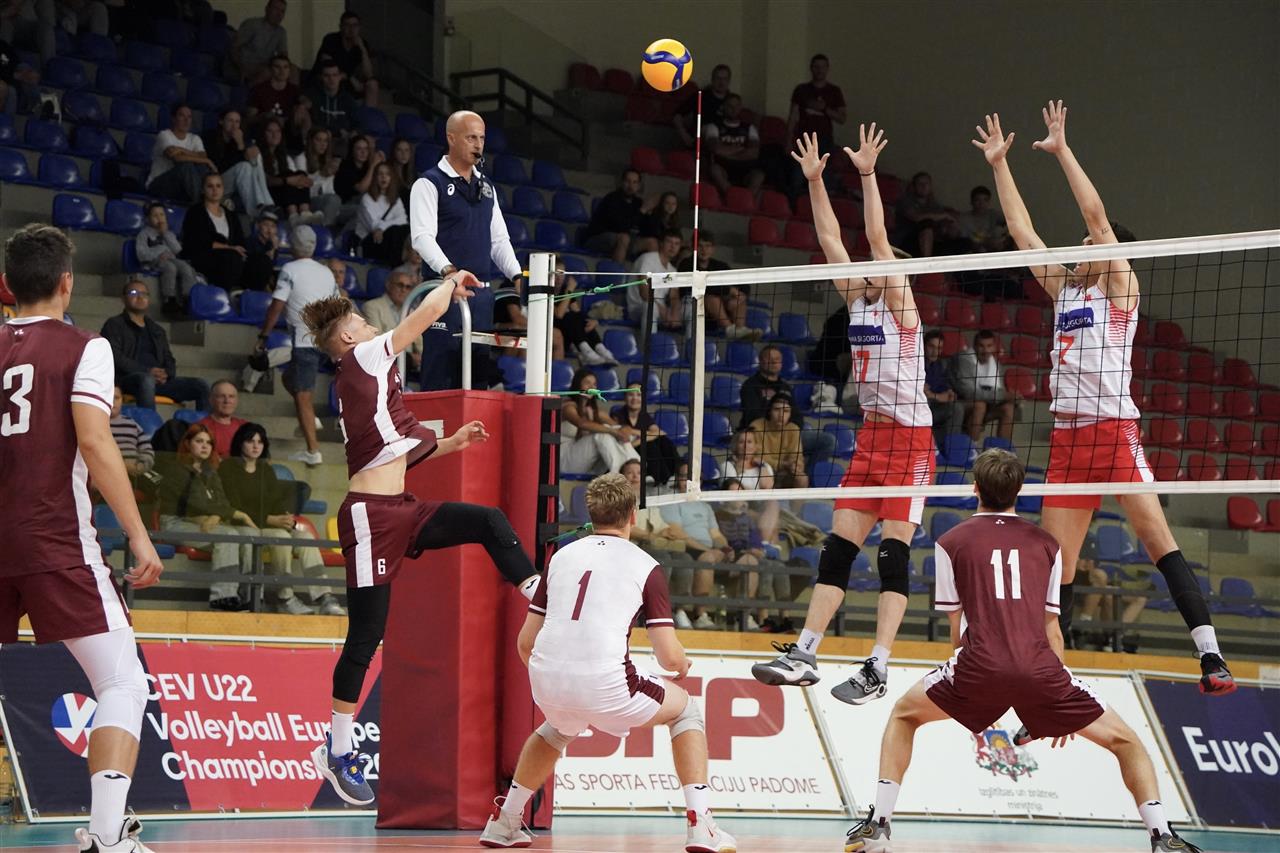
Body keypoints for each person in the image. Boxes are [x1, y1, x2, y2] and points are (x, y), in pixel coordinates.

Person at [971, 103, 1233, 696]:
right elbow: (1022, 233)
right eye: (1084, 241)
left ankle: (1210, 655)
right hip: (1069, 441)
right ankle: (1049, 684)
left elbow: (1094, 213)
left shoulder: (1120, 287)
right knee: (1054, 573)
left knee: (1158, 541)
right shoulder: (1064, 288)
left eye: (1093, 240)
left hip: (1114, 432)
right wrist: (1000, 165)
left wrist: (1062, 150)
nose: (1084, 241)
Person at [842, 449, 1203, 853]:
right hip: (1042, 670)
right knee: (1127, 742)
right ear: (1019, 491)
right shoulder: (1048, 544)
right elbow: (1052, 628)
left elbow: (956, 626)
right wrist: (1058, 703)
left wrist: (969, 686)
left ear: (975, 488)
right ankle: (1161, 836)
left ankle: (879, 824)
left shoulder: (949, 542)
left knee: (904, 715)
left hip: (978, 666)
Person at [297, 277, 541, 807]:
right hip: (370, 516)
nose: (370, 326)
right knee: (367, 636)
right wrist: (450, 281)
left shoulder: (368, 374)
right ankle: (336, 750)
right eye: (361, 322)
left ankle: (537, 596)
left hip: (401, 509)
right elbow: (423, 318)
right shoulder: (362, 358)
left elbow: (395, 452)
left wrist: (453, 442)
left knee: (487, 521)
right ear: (347, 339)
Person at [752, 128, 935, 705]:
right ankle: (805, 652)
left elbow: (877, 238)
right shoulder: (857, 300)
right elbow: (830, 237)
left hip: (912, 441)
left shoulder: (901, 304)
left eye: (882, 263)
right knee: (837, 550)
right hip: (872, 437)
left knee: (892, 555)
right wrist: (814, 181)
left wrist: (867, 174)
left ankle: (878, 666)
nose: (872, 265)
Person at [0, 224, 164, 853]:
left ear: (8, 284)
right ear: (67, 283)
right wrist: (139, 535)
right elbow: (95, 441)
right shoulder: (85, 347)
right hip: (53, 539)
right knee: (122, 682)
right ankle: (106, 834)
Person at [482, 473, 736, 852]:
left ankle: (504, 822)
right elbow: (668, 656)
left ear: (591, 514)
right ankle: (701, 825)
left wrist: (554, 679)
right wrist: (682, 664)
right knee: (686, 711)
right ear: (633, 515)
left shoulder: (561, 557)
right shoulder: (646, 565)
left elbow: (526, 642)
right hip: (606, 685)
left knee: (556, 728)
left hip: (546, 680)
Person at [409, 110, 522, 389]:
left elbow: (499, 241)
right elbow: (422, 237)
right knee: (440, 374)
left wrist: (518, 276)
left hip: (480, 295)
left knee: (476, 378)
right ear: (451, 138)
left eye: (481, 138)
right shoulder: (429, 183)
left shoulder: (487, 187)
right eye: (471, 137)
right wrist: (450, 272)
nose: (478, 144)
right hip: (443, 292)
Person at [220, 422, 345, 616]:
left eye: (260, 442)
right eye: (250, 441)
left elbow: (275, 502)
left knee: (305, 538)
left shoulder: (265, 469)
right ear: (240, 443)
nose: (256, 446)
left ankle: (325, 597)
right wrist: (271, 520)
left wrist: (285, 518)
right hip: (243, 525)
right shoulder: (228, 467)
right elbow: (234, 506)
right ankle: (285, 597)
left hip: (268, 525)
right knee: (280, 536)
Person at [256, 225, 337, 467]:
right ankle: (310, 418)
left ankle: (313, 451)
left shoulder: (290, 269)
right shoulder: (326, 272)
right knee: (288, 378)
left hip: (304, 340)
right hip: (326, 340)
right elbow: (338, 304)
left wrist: (264, 335)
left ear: (292, 245)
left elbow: (277, 305)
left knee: (302, 395)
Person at [156, 423, 256, 610]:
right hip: (175, 523)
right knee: (228, 536)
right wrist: (231, 514)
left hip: (202, 521)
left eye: (209, 443)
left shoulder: (210, 471)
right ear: (187, 444)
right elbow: (196, 502)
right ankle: (222, 598)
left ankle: (247, 597)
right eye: (199, 441)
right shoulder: (176, 470)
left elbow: (223, 502)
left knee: (248, 535)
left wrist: (216, 515)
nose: (205, 446)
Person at [101, 280, 210, 410]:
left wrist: (166, 373)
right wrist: (147, 371)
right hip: (127, 379)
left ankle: (206, 423)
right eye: (134, 293)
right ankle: (149, 422)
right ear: (123, 298)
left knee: (201, 385)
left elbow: (169, 358)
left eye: (144, 294)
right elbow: (115, 356)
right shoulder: (114, 325)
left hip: (158, 381)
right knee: (146, 380)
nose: (140, 297)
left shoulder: (156, 329)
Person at [659, 462, 741, 630]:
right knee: (707, 558)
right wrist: (709, 551)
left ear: (700, 481)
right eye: (684, 476)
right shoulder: (671, 501)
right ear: (678, 479)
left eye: (693, 477)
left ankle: (748, 617)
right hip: (686, 547)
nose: (689, 481)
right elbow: (678, 533)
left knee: (748, 561)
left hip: (708, 549)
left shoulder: (705, 506)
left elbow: (716, 535)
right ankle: (700, 615)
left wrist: (725, 548)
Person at [621, 458, 695, 629]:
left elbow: (661, 526)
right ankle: (654, 609)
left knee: (684, 558)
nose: (635, 476)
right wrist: (651, 536)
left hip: (651, 546)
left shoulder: (649, 503)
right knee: (662, 558)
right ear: (622, 478)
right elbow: (624, 527)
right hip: (631, 549)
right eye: (630, 473)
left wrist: (668, 531)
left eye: (639, 473)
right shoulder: (620, 500)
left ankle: (680, 610)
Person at [739, 344, 836, 472]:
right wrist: (775, 423)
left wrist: (788, 431)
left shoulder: (785, 387)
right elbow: (753, 416)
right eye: (770, 358)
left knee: (828, 441)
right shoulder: (750, 385)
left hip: (786, 435)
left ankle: (807, 476)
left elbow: (797, 416)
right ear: (761, 361)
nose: (774, 362)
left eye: (777, 359)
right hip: (761, 435)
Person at [785, 54, 846, 198]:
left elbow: (842, 118)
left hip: (824, 140)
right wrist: (788, 140)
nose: (819, 70)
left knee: (822, 180)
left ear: (827, 69)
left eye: (822, 67)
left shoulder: (834, 91)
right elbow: (792, 116)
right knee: (797, 178)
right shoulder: (801, 90)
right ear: (811, 68)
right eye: (816, 67)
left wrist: (824, 108)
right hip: (803, 139)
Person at [560, 368, 640, 476]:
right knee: (601, 434)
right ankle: (620, 474)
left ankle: (636, 470)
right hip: (565, 460)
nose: (592, 387)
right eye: (587, 383)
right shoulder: (568, 406)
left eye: (594, 384)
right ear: (578, 385)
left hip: (587, 463)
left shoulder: (594, 410)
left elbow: (618, 428)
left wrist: (628, 430)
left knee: (612, 430)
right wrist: (613, 431)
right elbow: (581, 424)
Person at [676, 231, 755, 340]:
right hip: (692, 308)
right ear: (693, 248)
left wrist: (739, 295)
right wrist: (729, 291)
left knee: (739, 298)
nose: (704, 250)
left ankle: (740, 330)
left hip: (718, 313)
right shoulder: (687, 264)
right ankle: (730, 329)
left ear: (713, 249)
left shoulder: (720, 266)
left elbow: (743, 285)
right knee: (711, 298)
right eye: (700, 246)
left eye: (708, 246)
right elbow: (702, 287)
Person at [200, 108, 275, 217]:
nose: (234, 125)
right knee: (244, 166)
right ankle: (258, 209)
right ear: (221, 121)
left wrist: (241, 144)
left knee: (255, 156)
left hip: (236, 179)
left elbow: (251, 163)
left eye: (237, 122)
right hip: (216, 180)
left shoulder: (242, 137)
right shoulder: (210, 136)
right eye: (230, 121)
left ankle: (265, 204)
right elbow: (219, 166)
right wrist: (241, 147)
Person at [180, 172, 248, 291]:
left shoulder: (231, 215)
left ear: (223, 189)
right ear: (203, 190)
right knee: (230, 258)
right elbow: (198, 242)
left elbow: (240, 241)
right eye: (210, 186)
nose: (215, 190)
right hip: (203, 256)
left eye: (218, 186)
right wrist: (229, 248)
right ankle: (222, 294)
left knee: (260, 261)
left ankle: (250, 297)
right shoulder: (195, 212)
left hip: (231, 258)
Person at [952, 328, 1017, 443]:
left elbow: (999, 391)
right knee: (980, 405)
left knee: (1008, 408)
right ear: (974, 346)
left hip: (986, 405)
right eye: (981, 346)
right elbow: (968, 393)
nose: (985, 350)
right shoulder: (964, 359)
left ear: (994, 347)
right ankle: (971, 449)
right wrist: (1002, 396)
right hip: (960, 403)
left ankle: (1003, 450)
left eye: (989, 346)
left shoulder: (996, 364)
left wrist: (1012, 397)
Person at [135, 202, 198, 319]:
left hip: (171, 259)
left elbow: (178, 250)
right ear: (148, 219)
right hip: (154, 262)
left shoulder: (169, 234)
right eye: (155, 215)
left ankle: (187, 298)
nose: (159, 218)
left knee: (186, 267)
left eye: (162, 215)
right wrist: (160, 252)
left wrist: (165, 234)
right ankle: (169, 299)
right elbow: (142, 254)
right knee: (170, 268)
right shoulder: (144, 234)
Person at [146, 103, 215, 206]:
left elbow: (203, 156)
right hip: (159, 185)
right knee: (186, 166)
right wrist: (206, 160)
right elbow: (177, 158)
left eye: (189, 117)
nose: (186, 120)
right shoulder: (164, 135)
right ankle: (201, 206)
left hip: (181, 188)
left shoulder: (195, 138)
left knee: (202, 167)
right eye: (182, 115)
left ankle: (207, 201)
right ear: (174, 118)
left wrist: (180, 149)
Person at [610, 385, 678, 486]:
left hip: (638, 445)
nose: (635, 398)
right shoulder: (617, 415)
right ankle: (658, 478)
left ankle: (676, 474)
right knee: (650, 445)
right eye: (631, 394)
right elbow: (624, 435)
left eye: (638, 395)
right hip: (625, 449)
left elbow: (660, 432)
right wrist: (646, 435)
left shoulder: (644, 415)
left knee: (663, 440)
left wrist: (638, 436)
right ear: (625, 397)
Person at [259, 117, 321, 224]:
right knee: (288, 176)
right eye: (270, 131)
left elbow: (297, 178)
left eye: (278, 131)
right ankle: (293, 215)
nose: (275, 135)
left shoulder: (284, 156)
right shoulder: (258, 155)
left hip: (284, 194)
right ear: (263, 134)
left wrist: (303, 180)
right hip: (267, 195)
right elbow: (264, 181)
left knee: (300, 174)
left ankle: (305, 212)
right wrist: (287, 180)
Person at [551, 260, 614, 365]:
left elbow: (578, 312)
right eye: (556, 274)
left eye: (562, 274)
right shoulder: (546, 291)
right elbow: (559, 314)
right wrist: (569, 290)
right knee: (568, 316)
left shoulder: (564, 290)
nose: (559, 278)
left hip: (570, 333)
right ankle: (585, 350)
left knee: (581, 319)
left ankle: (599, 347)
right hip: (555, 333)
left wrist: (593, 321)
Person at [311, 9, 378, 107]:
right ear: (341, 27)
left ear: (359, 27)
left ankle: (369, 115)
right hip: (328, 78)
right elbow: (328, 64)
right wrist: (350, 78)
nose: (351, 29)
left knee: (373, 84)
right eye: (347, 25)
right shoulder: (331, 39)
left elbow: (368, 74)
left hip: (348, 82)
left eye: (355, 25)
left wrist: (363, 49)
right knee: (335, 76)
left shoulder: (362, 44)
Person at [361, 269, 422, 374]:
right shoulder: (372, 307)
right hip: (382, 365)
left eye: (408, 287)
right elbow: (377, 343)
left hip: (407, 367)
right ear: (388, 285)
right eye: (400, 285)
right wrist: (410, 357)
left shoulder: (411, 312)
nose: (403, 290)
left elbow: (420, 343)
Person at [892, 171, 966, 257]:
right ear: (914, 186)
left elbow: (944, 220)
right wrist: (944, 215)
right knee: (926, 224)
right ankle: (926, 261)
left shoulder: (933, 204)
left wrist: (950, 226)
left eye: (926, 183)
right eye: (920, 184)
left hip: (932, 241)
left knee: (963, 242)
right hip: (908, 240)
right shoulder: (906, 201)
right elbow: (916, 217)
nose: (924, 186)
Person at [705, 93, 765, 199]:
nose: (733, 109)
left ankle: (746, 200)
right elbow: (715, 149)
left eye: (737, 106)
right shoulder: (713, 126)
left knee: (759, 175)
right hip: (724, 166)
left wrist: (727, 152)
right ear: (724, 107)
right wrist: (741, 150)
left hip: (746, 168)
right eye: (730, 106)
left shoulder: (749, 128)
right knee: (714, 170)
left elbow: (754, 152)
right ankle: (732, 197)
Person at [581, 168, 646, 263]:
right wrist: (642, 211)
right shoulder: (612, 199)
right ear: (622, 182)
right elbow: (620, 226)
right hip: (597, 238)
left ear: (639, 186)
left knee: (652, 243)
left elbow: (644, 227)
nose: (631, 186)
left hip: (624, 240)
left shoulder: (638, 202)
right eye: (628, 181)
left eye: (634, 182)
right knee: (624, 238)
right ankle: (616, 271)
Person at [748, 392, 809, 488]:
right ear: (769, 411)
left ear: (790, 414)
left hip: (784, 472)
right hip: (761, 470)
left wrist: (796, 465)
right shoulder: (756, 426)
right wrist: (783, 464)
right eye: (777, 409)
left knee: (802, 479)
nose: (781, 415)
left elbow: (796, 455)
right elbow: (757, 457)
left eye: (786, 411)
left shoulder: (793, 429)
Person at [629, 227, 682, 330]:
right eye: (669, 242)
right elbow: (644, 293)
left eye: (677, 244)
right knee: (651, 307)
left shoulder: (673, 270)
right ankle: (649, 341)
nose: (673, 247)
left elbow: (674, 297)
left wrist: (674, 314)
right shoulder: (648, 258)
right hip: (639, 306)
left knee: (690, 309)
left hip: (660, 309)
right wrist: (664, 311)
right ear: (661, 243)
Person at [356, 162, 408, 265]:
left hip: (389, 240)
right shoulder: (367, 199)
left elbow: (403, 220)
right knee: (394, 232)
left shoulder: (396, 199)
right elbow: (373, 225)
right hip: (370, 242)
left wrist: (382, 227)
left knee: (404, 230)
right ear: (375, 177)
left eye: (387, 174)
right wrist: (382, 227)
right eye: (380, 174)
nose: (384, 177)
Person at [673, 62, 731, 148]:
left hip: (726, 136)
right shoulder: (701, 96)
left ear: (728, 81)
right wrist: (684, 136)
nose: (721, 82)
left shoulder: (731, 100)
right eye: (718, 78)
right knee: (711, 128)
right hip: (703, 137)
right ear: (712, 79)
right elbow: (677, 116)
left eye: (724, 79)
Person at [922, 329, 963, 449]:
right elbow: (923, 394)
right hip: (921, 409)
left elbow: (950, 395)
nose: (935, 352)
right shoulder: (916, 364)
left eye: (939, 348)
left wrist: (934, 395)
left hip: (935, 407)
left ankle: (952, 448)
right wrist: (936, 396)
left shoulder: (940, 365)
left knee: (957, 408)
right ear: (923, 346)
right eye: (931, 347)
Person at [109, 385, 155, 492]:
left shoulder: (132, 424)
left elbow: (147, 449)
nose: (112, 401)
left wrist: (141, 466)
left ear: (122, 400)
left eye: (116, 398)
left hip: (137, 472)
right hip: (109, 473)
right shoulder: (95, 424)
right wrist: (122, 466)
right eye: (108, 397)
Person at [231, 0, 289, 85]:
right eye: (276, 9)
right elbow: (234, 47)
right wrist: (241, 68)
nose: (279, 14)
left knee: (293, 70)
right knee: (268, 72)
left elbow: (283, 56)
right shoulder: (252, 24)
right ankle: (250, 91)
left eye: (282, 11)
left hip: (265, 65)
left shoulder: (281, 32)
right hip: (244, 64)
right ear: (267, 9)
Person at [294, 126, 343, 226]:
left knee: (356, 209)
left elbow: (330, 191)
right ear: (311, 141)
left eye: (325, 141)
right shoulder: (301, 159)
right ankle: (323, 230)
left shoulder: (327, 161)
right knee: (334, 199)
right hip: (308, 202)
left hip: (329, 202)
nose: (323, 144)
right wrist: (321, 175)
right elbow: (302, 189)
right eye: (318, 140)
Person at [247, 52, 304, 132]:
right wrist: (265, 116)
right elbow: (249, 118)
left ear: (289, 70)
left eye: (285, 67)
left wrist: (302, 106)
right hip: (266, 130)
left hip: (289, 130)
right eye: (277, 67)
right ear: (270, 69)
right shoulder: (258, 90)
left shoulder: (294, 89)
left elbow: (306, 102)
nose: (282, 71)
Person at [306, 59, 357, 143]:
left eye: (335, 75)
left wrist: (354, 132)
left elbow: (357, 123)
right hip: (320, 141)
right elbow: (314, 123)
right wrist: (337, 130)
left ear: (340, 77)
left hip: (343, 141)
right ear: (321, 77)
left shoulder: (348, 99)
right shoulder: (313, 96)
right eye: (327, 75)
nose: (331, 79)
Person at [196, 379, 247, 458]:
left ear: (236, 401)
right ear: (211, 400)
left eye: (231, 396)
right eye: (221, 396)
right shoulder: (201, 427)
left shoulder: (245, 426)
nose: (227, 401)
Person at [957, 185, 1011, 253]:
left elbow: (1012, 223)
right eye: (977, 200)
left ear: (989, 202)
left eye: (985, 200)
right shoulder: (964, 218)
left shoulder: (994, 214)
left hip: (994, 249)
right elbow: (964, 241)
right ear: (971, 202)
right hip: (974, 249)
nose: (981, 204)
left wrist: (1004, 239)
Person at [243, 208, 282, 294]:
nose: (269, 230)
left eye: (273, 226)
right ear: (258, 225)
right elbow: (261, 264)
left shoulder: (272, 243)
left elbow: (272, 264)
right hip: (252, 281)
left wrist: (274, 248)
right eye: (266, 225)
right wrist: (273, 249)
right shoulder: (250, 242)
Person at [636, 190, 681, 257]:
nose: (670, 206)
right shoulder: (654, 216)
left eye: (673, 204)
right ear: (662, 204)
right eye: (667, 203)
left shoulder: (675, 222)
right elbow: (653, 234)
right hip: (649, 245)